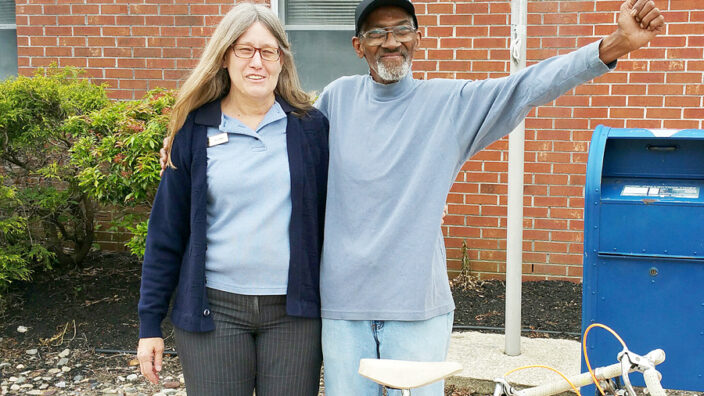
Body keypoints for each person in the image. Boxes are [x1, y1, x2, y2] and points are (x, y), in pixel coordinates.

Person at [160, 0, 664, 394]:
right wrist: (188, 129)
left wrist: (614, 43)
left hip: (417, 309)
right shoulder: (333, 101)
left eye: (402, 29)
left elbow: (528, 86)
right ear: (358, 46)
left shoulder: (452, 105)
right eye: (377, 33)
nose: (391, 41)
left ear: (419, 38)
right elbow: (268, 134)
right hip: (340, 309)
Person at [137, 3, 328, 395]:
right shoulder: (194, 130)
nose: (256, 62)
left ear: (281, 60)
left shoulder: (311, 129)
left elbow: (346, 198)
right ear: (225, 56)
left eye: (268, 50)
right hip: (215, 312)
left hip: (294, 313)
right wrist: (149, 325)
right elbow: (166, 233)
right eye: (244, 49)